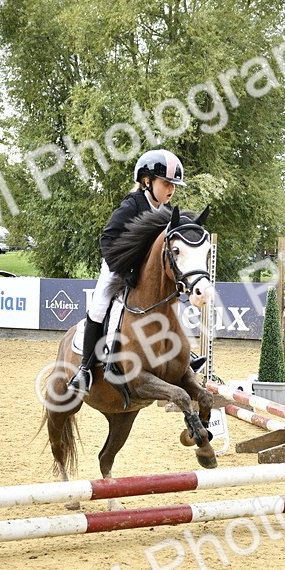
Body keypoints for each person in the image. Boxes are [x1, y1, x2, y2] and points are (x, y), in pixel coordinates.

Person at [67, 148, 187, 394]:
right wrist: (124, 271)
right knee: (100, 306)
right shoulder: (131, 206)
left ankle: (182, 354)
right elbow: (107, 240)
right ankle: (85, 369)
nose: (171, 189)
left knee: (169, 302)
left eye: (174, 185)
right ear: (147, 181)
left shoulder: (167, 212)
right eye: (166, 183)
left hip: (145, 274)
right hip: (117, 268)